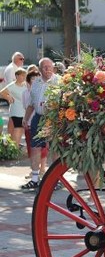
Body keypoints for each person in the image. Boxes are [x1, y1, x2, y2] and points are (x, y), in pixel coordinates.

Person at [22, 58, 59, 190]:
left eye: (50, 67)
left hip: (54, 119)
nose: (48, 69)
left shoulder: (58, 81)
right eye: (45, 67)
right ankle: (35, 179)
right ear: (39, 69)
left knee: (54, 149)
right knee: (35, 147)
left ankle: (55, 180)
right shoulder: (36, 83)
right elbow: (31, 104)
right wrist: (26, 118)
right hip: (38, 117)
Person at [0, 67, 27, 147]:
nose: (24, 77)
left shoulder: (25, 85)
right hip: (15, 111)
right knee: (18, 128)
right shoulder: (12, 85)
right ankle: (15, 147)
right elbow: (2, 92)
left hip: (24, 111)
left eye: (24, 75)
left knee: (21, 129)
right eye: (22, 75)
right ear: (17, 76)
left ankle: (15, 145)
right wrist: (8, 98)